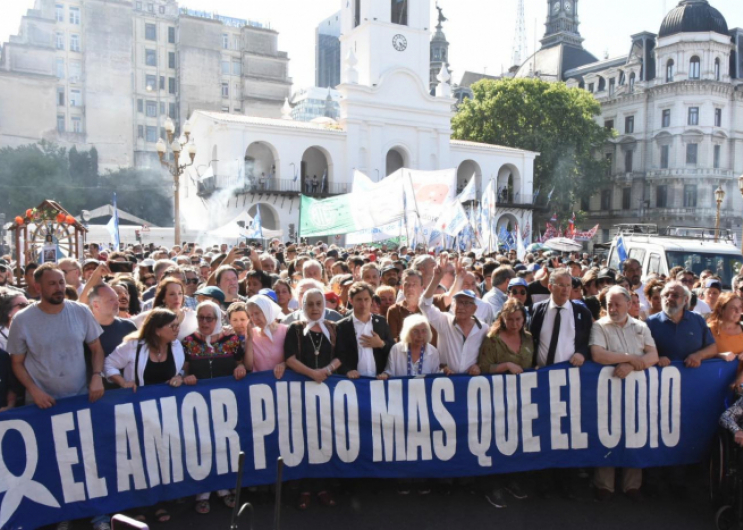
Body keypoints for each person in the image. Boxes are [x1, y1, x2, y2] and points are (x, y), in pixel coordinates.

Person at [8, 263, 108, 530]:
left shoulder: (81, 311)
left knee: (88, 457)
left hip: (79, 398)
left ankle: (99, 514)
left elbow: (96, 348)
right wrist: (34, 390)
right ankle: (61, 514)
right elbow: (16, 363)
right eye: (52, 283)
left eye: (62, 282)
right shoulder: (23, 320)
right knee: (53, 462)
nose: (59, 288)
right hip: (43, 404)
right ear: (37, 287)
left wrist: (96, 375)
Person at [104, 308, 190, 524]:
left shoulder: (176, 345)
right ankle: (138, 505)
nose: (176, 329)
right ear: (157, 329)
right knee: (139, 458)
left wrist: (179, 377)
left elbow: (180, 369)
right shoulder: (133, 346)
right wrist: (123, 383)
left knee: (160, 456)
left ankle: (159, 501)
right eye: (172, 326)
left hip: (165, 413)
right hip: (136, 414)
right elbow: (108, 365)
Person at [589, 286, 659, 502]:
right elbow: (598, 354)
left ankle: (632, 485)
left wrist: (630, 365)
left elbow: (653, 355)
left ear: (629, 305)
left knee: (634, 432)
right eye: (609, 304)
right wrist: (629, 357)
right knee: (607, 432)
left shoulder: (641, 326)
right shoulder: (599, 326)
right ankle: (604, 485)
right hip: (607, 390)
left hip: (635, 390)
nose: (612, 308)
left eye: (617, 304)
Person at [528, 268, 592, 499]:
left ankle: (567, 481)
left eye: (569, 285)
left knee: (568, 429)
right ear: (550, 286)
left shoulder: (581, 311)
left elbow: (588, 341)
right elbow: (531, 339)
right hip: (543, 380)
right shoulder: (537, 309)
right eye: (561, 284)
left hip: (570, 381)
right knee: (543, 428)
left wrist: (582, 353)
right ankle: (543, 480)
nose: (566, 289)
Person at [181, 301, 246, 514]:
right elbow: (184, 369)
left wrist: (241, 368)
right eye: (201, 317)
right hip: (198, 405)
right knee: (202, 446)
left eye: (210, 318)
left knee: (224, 445)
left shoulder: (232, 340)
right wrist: (185, 377)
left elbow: (241, 363)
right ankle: (203, 492)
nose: (205, 322)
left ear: (218, 319)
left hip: (226, 404)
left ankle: (224, 488)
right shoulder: (189, 341)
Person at [282, 288, 342, 509]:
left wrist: (326, 370)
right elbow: (289, 358)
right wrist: (313, 374)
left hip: (328, 396)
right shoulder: (295, 329)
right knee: (305, 441)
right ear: (303, 306)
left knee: (325, 439)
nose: (315, 309)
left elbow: (341, 356)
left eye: (319, 304)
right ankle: (305, 489)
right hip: (301, 396)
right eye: (310, 304)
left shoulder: (333, 328)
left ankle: (323, 487)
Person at [476, 298, 533, 508]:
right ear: (502, 318)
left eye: (518, 319)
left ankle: (511, 479)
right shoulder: (492, 339)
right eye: (510, 319)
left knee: (515, 439)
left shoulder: (528, 339)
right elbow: (483, 367)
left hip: (521, 400)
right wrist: (506, 365)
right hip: (494, 399)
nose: (515, 323)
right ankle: (492, 485)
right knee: (494, 441)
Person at [421, 265, 487, 375]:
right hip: (446, 382)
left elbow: (487, 355)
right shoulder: (444, 321)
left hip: (472, 383)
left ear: (474, 308)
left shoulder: (484, 328)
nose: (461, 307)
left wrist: (479, 366)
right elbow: (424, 305)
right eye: (458, 302)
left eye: (466, 303)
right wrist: (436, 279)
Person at [645, 281, 718, 368]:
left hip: (694, 377)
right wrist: (656, 358)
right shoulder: (650, 323)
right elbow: (641, 351)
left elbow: (712, 347)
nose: (669, 298)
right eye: (666, 295)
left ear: (686, 299)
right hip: (664, 378)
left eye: (675, 295)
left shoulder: (697, 320)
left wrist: (699, 355)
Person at [336, 282, 394, 378]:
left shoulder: (381, 322)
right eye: (359, 299)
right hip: (354, 382)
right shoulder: (342, 326)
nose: (363, 303)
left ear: (372, 300)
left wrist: (381, 344)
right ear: (351, 300)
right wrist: (347, 371)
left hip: (379, 380)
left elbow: (393, 349)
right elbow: (338, 355)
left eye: (366, 299)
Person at [133, 278, 198, 340]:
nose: (177, 297)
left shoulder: (193, 317)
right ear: (163, 298)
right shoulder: (148, 317)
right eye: (172, 294)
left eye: (180, 293)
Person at [378, 314, 440, 379]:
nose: (420, 335)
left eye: (424, 331)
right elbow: (389, 372)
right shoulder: (396, 349)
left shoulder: (433, 352)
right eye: (415, 331)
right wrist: (385, 375)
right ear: (407, 332)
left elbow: (435, 377)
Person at [246, 295, 287, 376]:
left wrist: (285, 365)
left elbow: (295, 359)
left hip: (282, 384)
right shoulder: (251, 333)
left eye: (257, 313)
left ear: (267, 311)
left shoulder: (285, 330)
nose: (254, 318)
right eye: (251, 315)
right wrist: (249, 339)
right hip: (260, 385)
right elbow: (248, 367)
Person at [707, 293, 743, 378]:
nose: (738, 311)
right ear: (720, 309)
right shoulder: (709, 329)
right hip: (715, 380)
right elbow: (700, 355)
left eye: (740, 307)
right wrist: (718, 355)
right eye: (733, 307)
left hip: (739, 384)